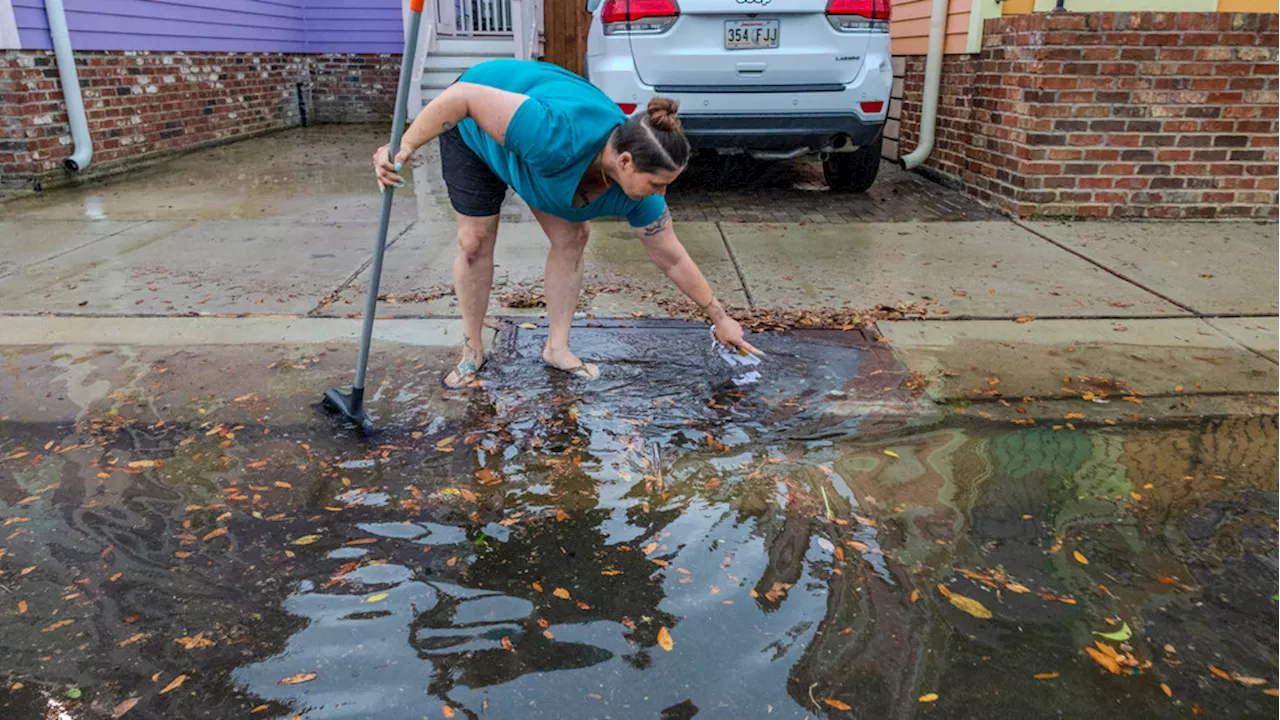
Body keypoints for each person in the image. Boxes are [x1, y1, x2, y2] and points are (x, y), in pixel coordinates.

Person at [374, 59, 760, 388]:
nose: (661, 195)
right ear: (625, 162)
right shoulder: (556, 134)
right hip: (473, 124)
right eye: (656, 183)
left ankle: (556, 348)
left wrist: (720, 318)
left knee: (573, 235)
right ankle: (472, 349)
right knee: (474, 241)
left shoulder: (633, 186)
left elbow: (672, 257)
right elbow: (463, 99)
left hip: (538, 158)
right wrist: (403, 147)